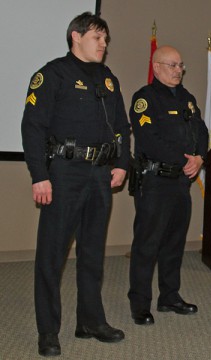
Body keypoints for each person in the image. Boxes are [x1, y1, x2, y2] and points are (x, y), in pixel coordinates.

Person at [21, 12, 131, 356]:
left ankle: (90, 321)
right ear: (76, 36)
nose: (104, 44)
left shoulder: (108, 79)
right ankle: (48, 331)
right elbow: (33, 127)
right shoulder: (52, 74)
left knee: (93, 253)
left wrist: (122, 163)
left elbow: (122, 126)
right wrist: (39, 174)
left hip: (100, 174)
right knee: (52, 255)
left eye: (106, 39)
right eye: (98, 38)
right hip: (63, 173)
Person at [127, 45, 208, 326]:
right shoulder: (145, 98)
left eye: (181, 65)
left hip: (181, 182)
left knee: (174, 243)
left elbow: (202, 130)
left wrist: (199, 158)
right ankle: (139, 303)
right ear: (157, 66)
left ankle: (169, 296)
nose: (179, 70)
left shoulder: (187, 99)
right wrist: (185, 160)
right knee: (147, 244)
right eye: (172, 65)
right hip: (155, 181)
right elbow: (148, 139)